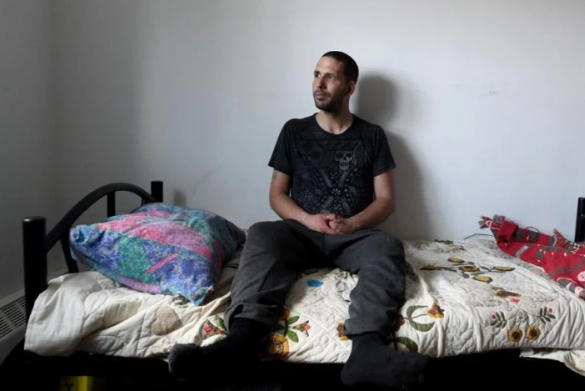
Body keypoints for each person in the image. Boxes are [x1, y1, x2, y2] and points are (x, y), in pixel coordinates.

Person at [168, 51, 430, 389]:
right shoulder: (293, 131)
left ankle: (367, 352)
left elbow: (386, 199)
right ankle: (241, 345)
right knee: (261, 233)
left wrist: (351, 225)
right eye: (316, 74)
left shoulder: (373, 136)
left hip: (352, 235)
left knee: (388, 247)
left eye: (330, 76)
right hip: (301, 231)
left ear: (349, 87)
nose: (318, 83)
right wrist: (308, 219)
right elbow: (277, 195)